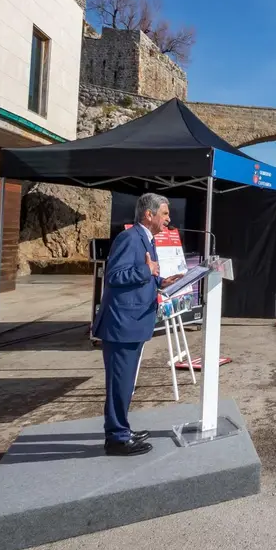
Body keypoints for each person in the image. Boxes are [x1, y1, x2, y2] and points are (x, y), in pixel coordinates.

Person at [93, 193, 183, 457]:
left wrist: (160, 281)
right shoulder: (129, 238)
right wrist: (148, 271)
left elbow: (144, 273)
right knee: (119, 383)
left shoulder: (145, 238)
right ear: (149, 214)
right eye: (165, 214)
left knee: (125, 382)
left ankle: (122, 428)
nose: (168, 219)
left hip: (133, 322)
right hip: (122, 325)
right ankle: (117, 438)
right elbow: (115, 275)